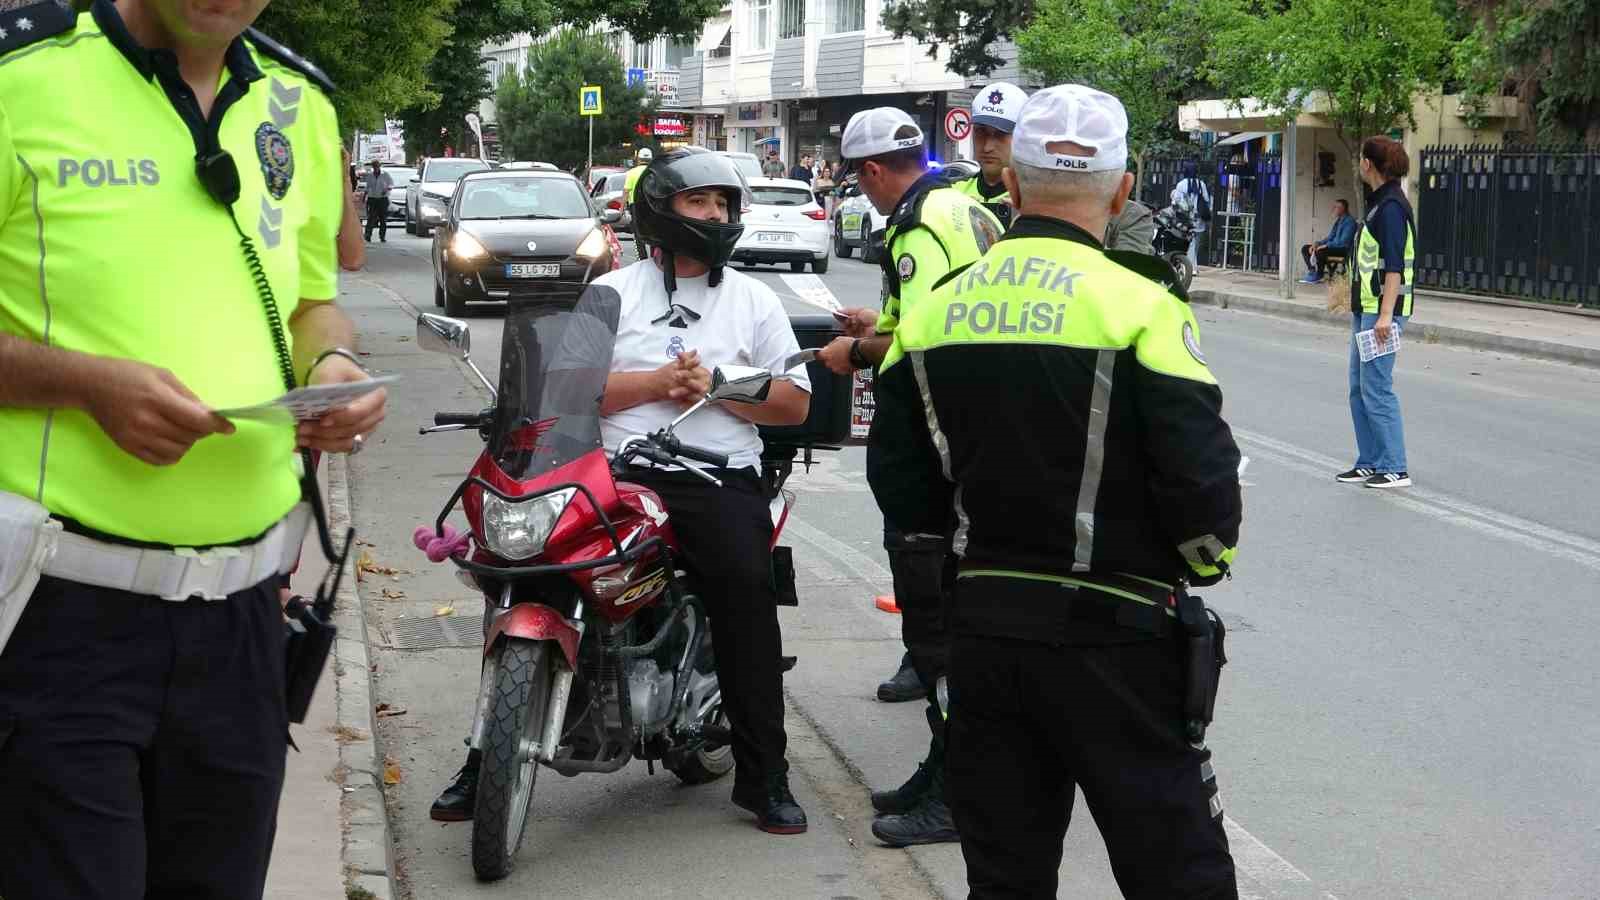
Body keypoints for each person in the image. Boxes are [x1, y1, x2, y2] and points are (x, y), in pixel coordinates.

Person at [0, 2, 388, 898]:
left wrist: (333, 364)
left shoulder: (298, 103)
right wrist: (83, 384)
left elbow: (312, 302)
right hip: (58, 615)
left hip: (245, 621)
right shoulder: (20, 79)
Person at [871, 83, 1243, 899]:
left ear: (1010, 184)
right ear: (1122, 188)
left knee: (1006, 876)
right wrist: (1204, 563)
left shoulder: (932, 314)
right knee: (1178, 873)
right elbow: (1203, 489)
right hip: (1122, 636)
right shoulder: (1144, 307)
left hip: (985, 631)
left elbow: (901, 485)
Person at [430, 148, 814, 835]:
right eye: (700, 202)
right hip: (614, 473)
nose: (715, 215)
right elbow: (566, 389)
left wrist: (717, 387)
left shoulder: (753, 299)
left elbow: (793, 401)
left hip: (716, 475)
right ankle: (484, 759)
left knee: (745, 601)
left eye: (723, 204)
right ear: (662, 211)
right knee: (526, 576)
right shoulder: (609, 293)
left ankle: (766, 777)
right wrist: (657, 384)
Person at [817, 106, 1002, 849]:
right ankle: (944, 765)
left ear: (870, 172)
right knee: (946, 626)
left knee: (939, 634)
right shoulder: (960, 206)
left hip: (935, 457)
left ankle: (962, 793)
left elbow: (929, 343)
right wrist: (878, 322)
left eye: (857, 180)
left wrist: (857, 353)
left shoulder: (919, 224)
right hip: (967, 447)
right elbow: (934, 312)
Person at [1339, 137, 1415, 489]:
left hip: (1383, 311)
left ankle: (1395, 466)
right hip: (1367, 308)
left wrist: (1386, 315)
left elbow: (1394, 266)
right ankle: (1369, 460)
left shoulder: (1392, 207)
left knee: (1377, 386)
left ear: (1368, 164)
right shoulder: (1378, 203)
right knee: (1359, 387)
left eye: (1361, 158)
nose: (1359, 163)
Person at [952, 82, 1028, 229]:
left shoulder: (1035, 201)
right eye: (981, 132)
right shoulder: (952, 192)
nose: (987, 147)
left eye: (1000, 134)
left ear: (1023, 137)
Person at [1300, 198, 1356, 283]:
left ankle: (1319, 275)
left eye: (1336, 207)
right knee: (1305, 248)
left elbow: (1344, 241)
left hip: (1343, 249)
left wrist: (1327, 245)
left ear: (1342, 209)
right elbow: (1330, 237)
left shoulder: (1350, 222)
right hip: (1333, 246)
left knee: (1321, 251)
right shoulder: (1338, 221)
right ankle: (1312, 271)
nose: (1333, 209)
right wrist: (1318, 244)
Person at [1170, 160, 1213, 268]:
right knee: (1195, 242)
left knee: (1189, 242)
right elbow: (1207, 200)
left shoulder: (1181, 184)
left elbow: (1176, 201)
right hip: (1199, 219)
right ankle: (1192, 265)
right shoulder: (1201, 184)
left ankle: (1191, 266)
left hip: (1186, 218)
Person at [624, 147, 655, 259]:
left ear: (638, 159)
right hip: (651, 205)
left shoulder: (631, 173)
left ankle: (642, 258)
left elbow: (626, 191)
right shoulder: (653, 172)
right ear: (651, 159)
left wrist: (622, 208)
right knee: (652, 232)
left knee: (638, 233)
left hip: (635, 206)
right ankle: (654, 257)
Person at [361, 158, 394, 243]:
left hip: (383, 199)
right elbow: (368, 187)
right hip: (372, 198)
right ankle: (368, 235)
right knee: (371, 218)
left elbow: (391, 184)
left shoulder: (385, 174)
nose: (375, 168)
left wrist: (386, 189)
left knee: (383, 218)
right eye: (374, 166)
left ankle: (382, 236)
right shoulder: (370, 175)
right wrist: (364, 196)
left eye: (377, 166)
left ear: (379, 166)